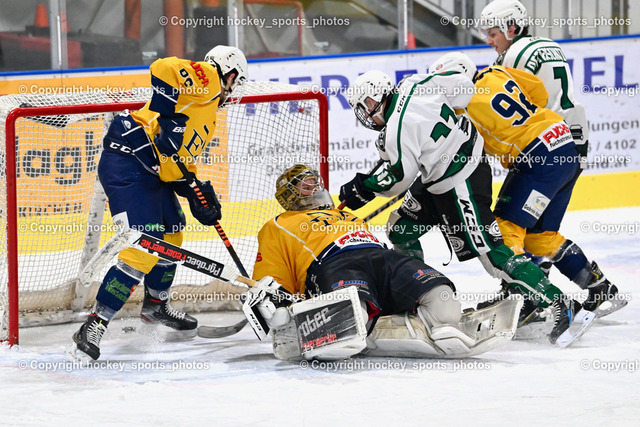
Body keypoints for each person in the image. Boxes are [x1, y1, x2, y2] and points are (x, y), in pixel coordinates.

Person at [338, 69, 591, 346]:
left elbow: (398, 178)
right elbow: (463, 88)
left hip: (461, 181)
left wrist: (362, 187)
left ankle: (559, 302)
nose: (364, 114)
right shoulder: (417, 83)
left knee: (494, 255)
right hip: (441, 175)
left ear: (376, 97)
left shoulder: (397, 129)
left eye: (365, 106)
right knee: (401, 228)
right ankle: (416, 296)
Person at [68, 46, 249, 361]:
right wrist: (168, 117)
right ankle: (94, 324)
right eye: (235, 83)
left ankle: (155, 305)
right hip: (128, 159)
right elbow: (163, 67)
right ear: (230, 73)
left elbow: (175, 164)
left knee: (174, 236)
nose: (232, 90)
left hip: (151, 171)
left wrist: (196, 191)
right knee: (144, 245)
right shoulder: (209, 78)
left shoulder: (208, 115)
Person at [245, 164, 521, 361]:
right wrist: (278, 309)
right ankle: (368, 324)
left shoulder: (348, 216)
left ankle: (394, 323)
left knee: (446, 304)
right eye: (304, 184)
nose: (314, 186)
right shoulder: (277, 225)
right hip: (335, 264)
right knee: (351, 318)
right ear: (290, 196)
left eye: (313, 180)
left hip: (384, 258)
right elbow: (272, 275)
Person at [476, 0, 624, 316]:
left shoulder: (513, 55)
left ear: (511, 28)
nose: (489, 41)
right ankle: (598, 289)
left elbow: (525, 104)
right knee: (541, 235)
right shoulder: (547, 46)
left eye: (493, 33)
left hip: (541, 150)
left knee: (510, 226)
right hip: (571, 143)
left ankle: (520, 298)